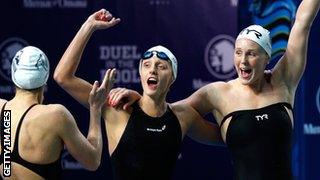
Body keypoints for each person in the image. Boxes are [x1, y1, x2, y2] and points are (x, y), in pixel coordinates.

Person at [112, 0, 320, 179]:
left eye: (251, 54)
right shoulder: (218, 93)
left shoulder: (283, 81)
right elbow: (166, 111)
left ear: (267, 57)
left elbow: (302, 22)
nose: (243, 61)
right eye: (238, 52)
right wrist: (140, 99)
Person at [54, 9, 222, 180]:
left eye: (161, 66)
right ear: (140, 73)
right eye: (147, 65)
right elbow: (63, 77)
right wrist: (88, 26)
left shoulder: (183, 116)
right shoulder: (117, 108)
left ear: (172, 78)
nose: (153, 70)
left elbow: (231, 136)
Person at [0, 46, 113, 180]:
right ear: (45, 78)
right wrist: (95, 109)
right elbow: (92, 161)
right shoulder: (56, 115)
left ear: (13, 75)